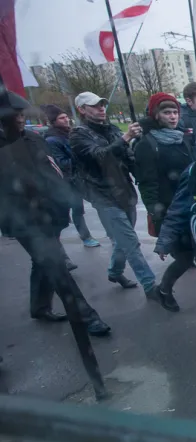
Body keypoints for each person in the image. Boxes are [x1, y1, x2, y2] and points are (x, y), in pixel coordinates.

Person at [0, 92, 111, 336]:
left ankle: (39, 306)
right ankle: (86, 316)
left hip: (49, 214)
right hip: (22, 220)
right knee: (55, 264)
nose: (19, 120)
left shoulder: (33, 139)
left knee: (43, 261)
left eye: (21, 115)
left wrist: (64, 203)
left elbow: (53, 173)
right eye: (13, 116)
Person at [69, 91, 161, 301]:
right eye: (95, 105)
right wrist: (126, 137)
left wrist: (140, 152)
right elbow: (101, 156)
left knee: (122, 240)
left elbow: (127, 158)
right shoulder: (78, 134)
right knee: (130, 241)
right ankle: (150, 285)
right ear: (82, 110)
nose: (101, 108)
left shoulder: (110, 129)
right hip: (102, 195)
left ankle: (114, 272)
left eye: (102, 105)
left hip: (125, 192)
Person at [135, 93, 196, 312]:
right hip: (169, 210)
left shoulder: (183, 138)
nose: (172, 117)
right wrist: (156, 213)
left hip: (193, 205)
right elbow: (147, 183)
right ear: (156, 114)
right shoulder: (147, 144)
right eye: (166, 112)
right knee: (184, 257)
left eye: (174, 112)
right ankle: (164, 290)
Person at [42, 104, 100, 249]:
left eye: (66, 116)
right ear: (53, 121)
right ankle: (59, 243)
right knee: (65, 214)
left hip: (77, 179)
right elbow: (61, 163)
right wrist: (79, 157)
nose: (66, 120)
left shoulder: (69, 134)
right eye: (62, 118)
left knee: (79, 209)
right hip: (66, 182)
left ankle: (84, 236)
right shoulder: (52, 140)